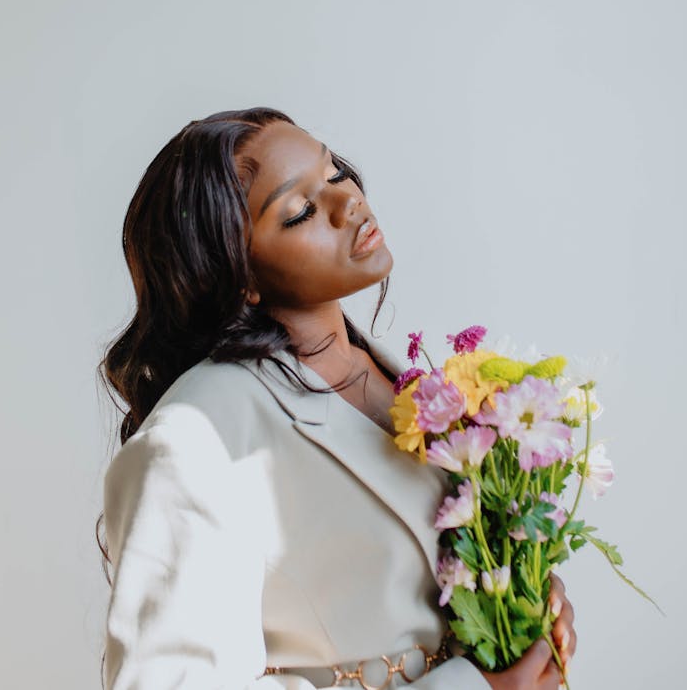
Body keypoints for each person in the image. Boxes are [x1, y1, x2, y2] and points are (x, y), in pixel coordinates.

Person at [97, 107, 576, 690]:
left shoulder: (402, 379)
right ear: (236, 274)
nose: (346, 202)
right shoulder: (195, 441)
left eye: (333, 173)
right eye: (298, 211)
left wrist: (524, 595)